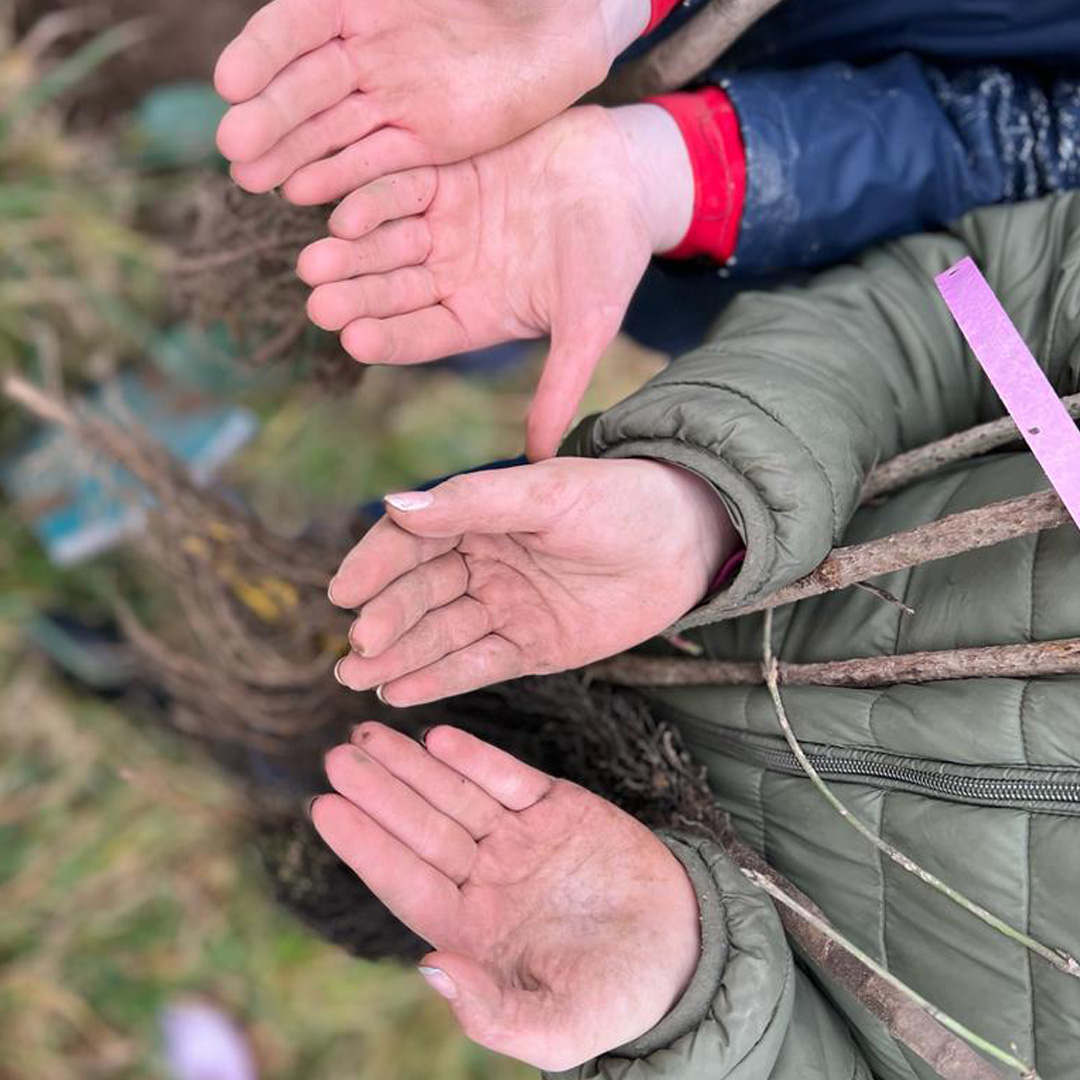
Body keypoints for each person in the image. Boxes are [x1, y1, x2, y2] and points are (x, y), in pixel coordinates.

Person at [312, 192, 1080, 1078]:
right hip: (590, 583)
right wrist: (708, 501)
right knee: (331, 595)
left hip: (526, 879)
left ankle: (168, 696)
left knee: (307, 781)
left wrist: (696, 999)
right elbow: (979, 306)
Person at [214, 0, 1080, 456]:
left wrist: (678, 170)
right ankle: (212, 322)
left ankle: (277, 371)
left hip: (757, 205)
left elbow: (1032, 147)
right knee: (326, 153)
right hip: (517, 40)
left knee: (467, 276)